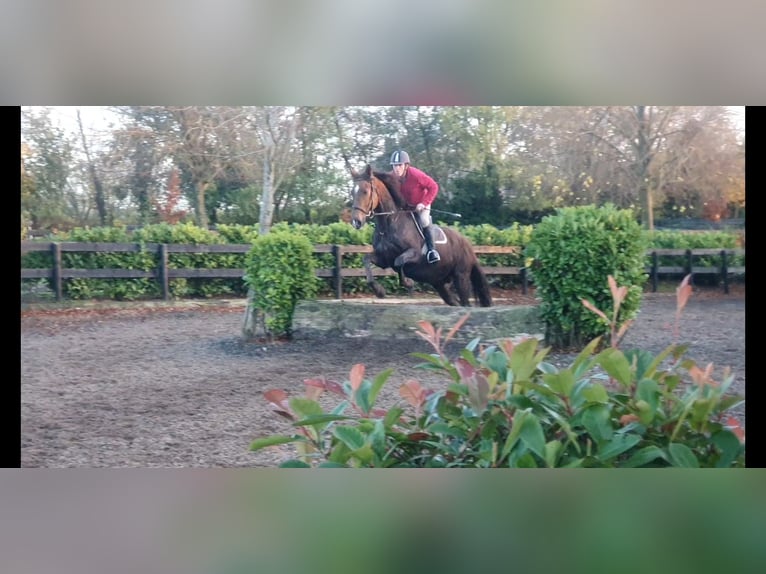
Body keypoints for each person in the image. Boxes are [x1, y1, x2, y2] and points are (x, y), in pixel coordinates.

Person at [389, 150, 441, 263]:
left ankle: (432, 251)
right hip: (405, 208)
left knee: (423, 220)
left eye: (399, 165)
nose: (396, 168)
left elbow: (434, 186)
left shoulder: (416, 175)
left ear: (406, 166)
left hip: (421, 203)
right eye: (394, 165)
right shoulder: (391, 177)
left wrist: (424, 203)